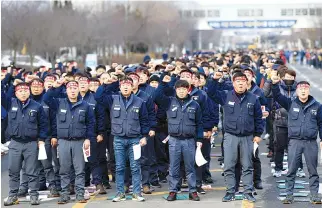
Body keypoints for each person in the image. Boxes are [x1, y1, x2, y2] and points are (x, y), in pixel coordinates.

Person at [206, 72, 264, 203]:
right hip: (230, 136)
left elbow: (258, 118)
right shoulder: (226, 95)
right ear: (233, 83)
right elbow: (211, 93)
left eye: (243, 81)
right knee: (229, 166)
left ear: (246, 83)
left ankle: (248, 192)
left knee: (248, 166)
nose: (241, 83)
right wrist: (215, 79)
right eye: (238, 81)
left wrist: (258, 134)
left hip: (248, 137)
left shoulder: (253, 98)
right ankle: (230, 191)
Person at [95, 76, 150, 202]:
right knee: (119, 167)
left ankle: (136, 192)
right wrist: (105, 84)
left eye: (128, 85)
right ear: (119, 87)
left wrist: (144, 136)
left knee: (135, 167)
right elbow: (98, 97)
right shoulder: (113, 99)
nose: (125, 87)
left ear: (132, 87)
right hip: (118, 139)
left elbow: (144, 121)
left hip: (135, 139)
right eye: (123, 85)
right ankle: (120, 193)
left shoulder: (139, 101)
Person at [271, 77, 322, 205]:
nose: (303, 91)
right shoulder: (290, 103)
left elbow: (321, 124)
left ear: (309, 90)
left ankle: (315, 195)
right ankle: (289, 195)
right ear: (297, 91)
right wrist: (274, 83)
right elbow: (277, 95)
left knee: (313, 170)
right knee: (291, 169)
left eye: (305, 88)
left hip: (311, 142)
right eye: (301, 89)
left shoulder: (317, 106)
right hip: (295, 141)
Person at [43, 80, 96, 204]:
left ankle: (79, 194)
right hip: (63, 142)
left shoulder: (85, 105)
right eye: (70, 88)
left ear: (78, 90)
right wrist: (54, 86)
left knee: (80, 170)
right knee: (64, 170)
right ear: (66, 90)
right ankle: (65, 194)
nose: (72, 91)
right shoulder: (59, 103)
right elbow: (46, 98)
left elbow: (91, 123)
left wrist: (88, 138)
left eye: (75, 88)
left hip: (79, 141)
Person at [155, 77, 202, 201]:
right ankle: (173, 191)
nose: (181, 91)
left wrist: (200, 139)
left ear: (188, 90)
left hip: (189, 140)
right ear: (175, 90)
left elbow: (199, 123)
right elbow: (157, 95)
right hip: (174, 140)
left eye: (184, 89)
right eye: (179, 89)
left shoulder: (194, 104)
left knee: (190, 167)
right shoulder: (169, 102)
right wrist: (164, 83)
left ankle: (193, 191)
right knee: (174, 167)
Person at [4, 82, 48, 206]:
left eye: (25, 91)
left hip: (31, 143)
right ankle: (13, 195)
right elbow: (2, 95)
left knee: (32, 171)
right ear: (16, 93)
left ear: (29, 92)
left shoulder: (37, 106)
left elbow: (43, 125)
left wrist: (41, 139)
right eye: (20, 91)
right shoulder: (10, 103)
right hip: (15, 143)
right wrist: (10, 82)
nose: (23, 93)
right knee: (13, 170)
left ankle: (34, 195)